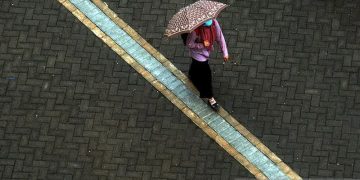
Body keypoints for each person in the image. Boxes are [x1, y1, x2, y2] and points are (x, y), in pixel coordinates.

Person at [185, 19, 229, 111]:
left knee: (196, 66)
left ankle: (192, 74)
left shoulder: (214, 23)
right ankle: (210, 98)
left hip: (206, 51)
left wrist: (225, 52)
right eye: (206, 26)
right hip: (198, 54)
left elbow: (220, 36)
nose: (209, 27)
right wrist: (202, 45)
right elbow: (189, 44)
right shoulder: (195, 31)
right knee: (206, 76)